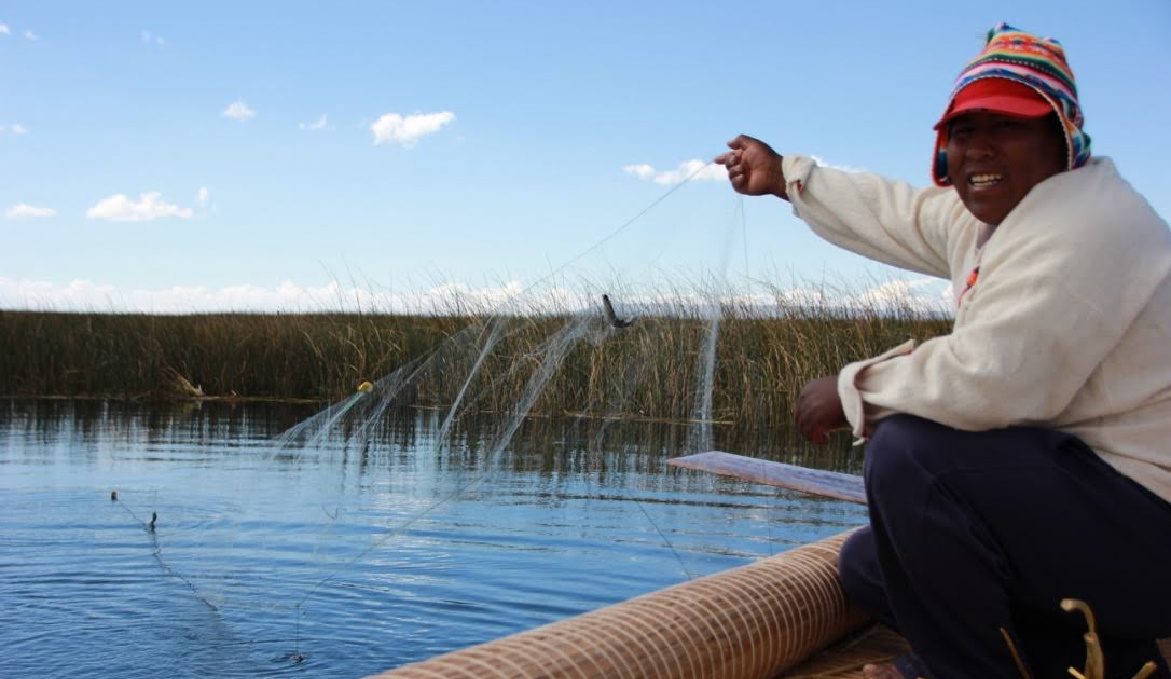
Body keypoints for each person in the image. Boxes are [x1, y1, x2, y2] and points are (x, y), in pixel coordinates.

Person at [715, 22, 1171, 679]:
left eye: (1006, 126)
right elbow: (895, 211)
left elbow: (996, 378)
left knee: (911, 456)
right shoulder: (993, 217)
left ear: (1061, 136)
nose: (978, 148)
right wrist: (785, 173)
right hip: (1098, 522)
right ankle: (1106, 659)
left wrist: (850, 390)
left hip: (1149, 533)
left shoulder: (1089, 222)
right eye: (963, 131)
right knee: (870, 566)